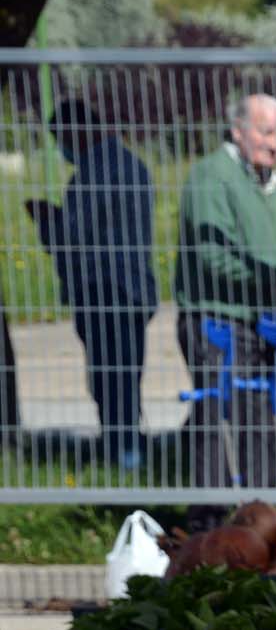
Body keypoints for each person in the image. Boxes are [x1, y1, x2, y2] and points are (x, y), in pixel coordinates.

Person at [173, 93, 276, 484]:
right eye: (266, 133)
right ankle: (210, 521)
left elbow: (269, 257)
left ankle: (262, 515)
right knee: (219, 421)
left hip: (258, 324)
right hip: (216, 323)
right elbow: (214, 257)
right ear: (238, 130)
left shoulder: (265, 182)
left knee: (260, 419)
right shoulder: (213, 176)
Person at [26, 99, 158, 469]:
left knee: (107, 378)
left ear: (75, 133)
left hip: (102, 290)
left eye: (60, 139)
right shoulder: (134, 166)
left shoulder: (91, 175)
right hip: (134, 289)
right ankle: (129, 449)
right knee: (126, 375)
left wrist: (45, 219)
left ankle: (122, 454)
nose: (61, 148)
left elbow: (67, 241)